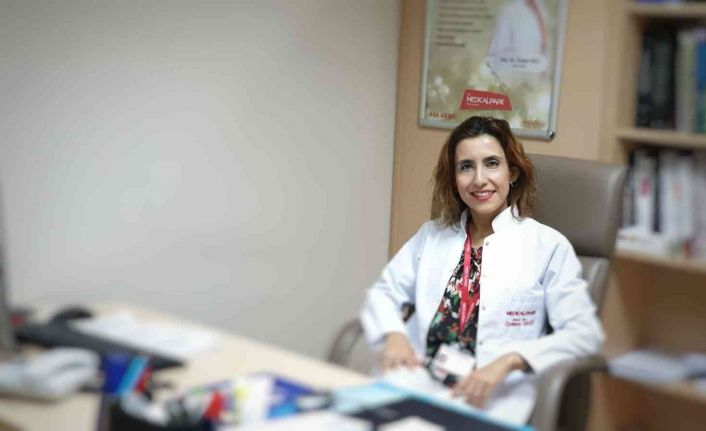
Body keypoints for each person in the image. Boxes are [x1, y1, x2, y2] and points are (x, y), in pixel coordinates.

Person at [359, 116, 604, 425]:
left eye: (492, 164)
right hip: (415, 380)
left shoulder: (547, 246)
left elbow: (584, 333)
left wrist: (510, 361)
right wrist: (394, 334)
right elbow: (384, 292)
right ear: (454, 180)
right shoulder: (432, 235)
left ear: (512, 173)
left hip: (490, 395)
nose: (479, 179)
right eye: (466, 167)